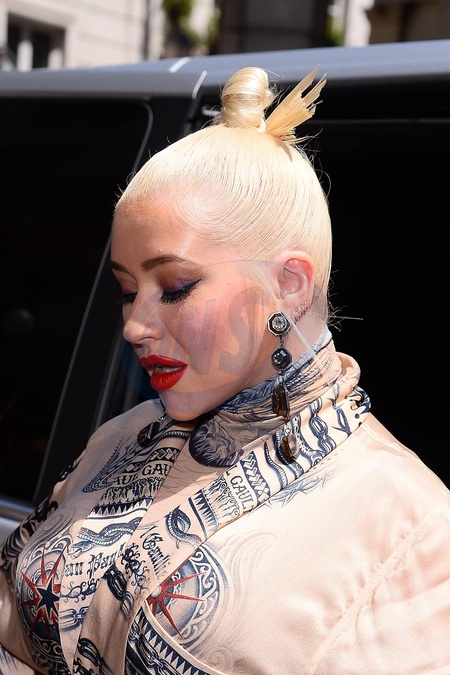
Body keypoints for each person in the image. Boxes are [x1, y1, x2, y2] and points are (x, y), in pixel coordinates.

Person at [0, 64, 449, 675]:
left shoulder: (414, 526)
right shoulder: (120, 438)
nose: (134, 326)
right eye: (128, 292)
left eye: (175, 287)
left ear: (290, 285)